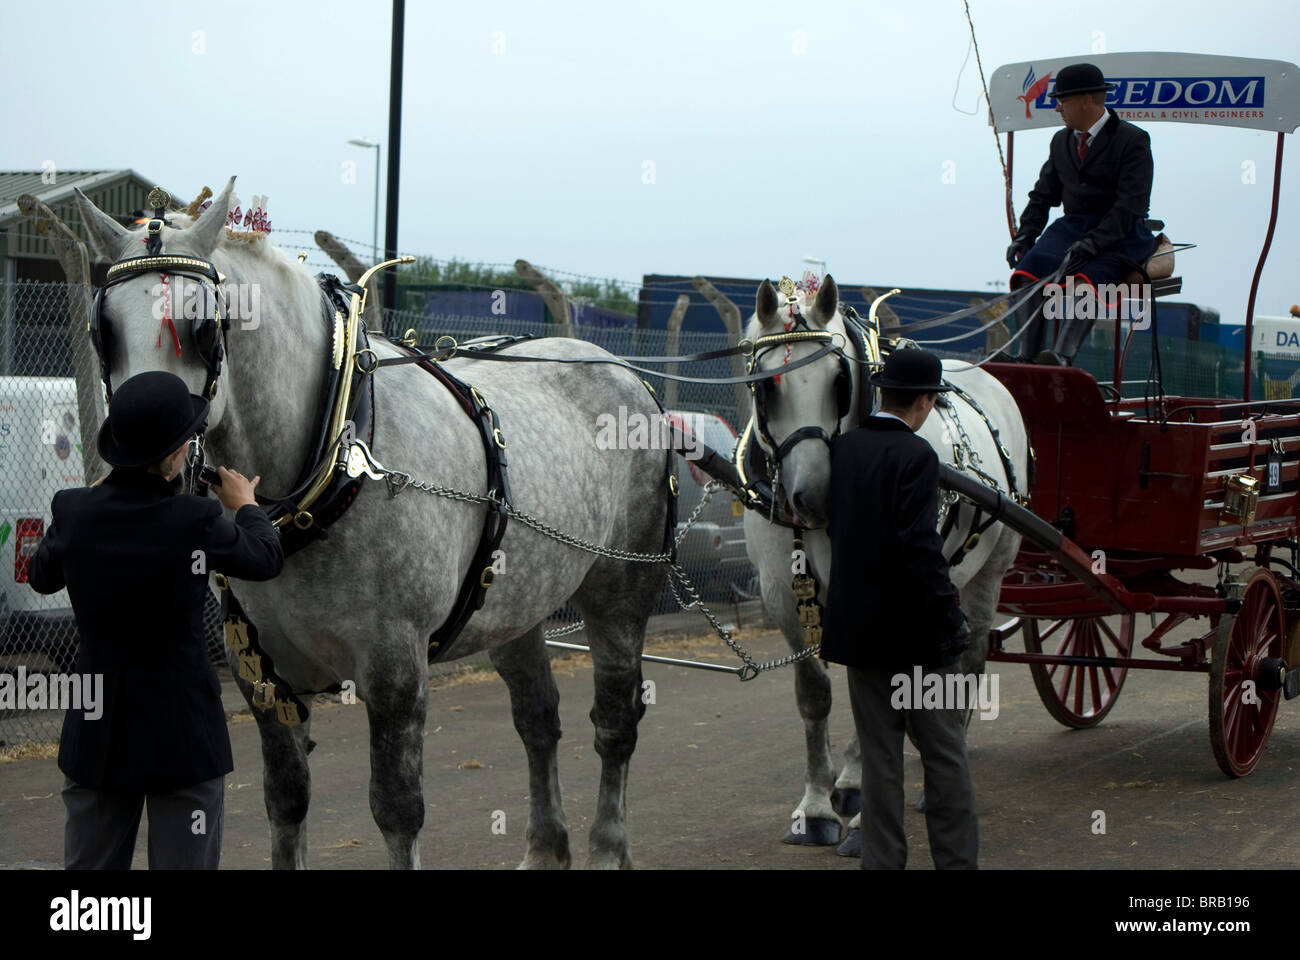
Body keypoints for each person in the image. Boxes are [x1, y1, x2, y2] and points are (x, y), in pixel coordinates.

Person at [28, 370, 284, 869]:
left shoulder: (75, 511)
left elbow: (41, 576)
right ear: (171, 459)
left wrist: (88, 504)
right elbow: (266, 559)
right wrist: (247, 507)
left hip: (98, 735)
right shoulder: (196, 520)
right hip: (182, 738)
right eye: (186, 443)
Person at [820, 347, 977, 869]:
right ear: (926, 401)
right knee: (945, 759)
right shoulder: (918, 458)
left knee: (881, 762)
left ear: (885, 392)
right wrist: (951, 617)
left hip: (861, 638)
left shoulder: (842, 450)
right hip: (921, 640)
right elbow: (919, 549)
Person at [1005, 62, 1157, 365]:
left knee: (1086, 280)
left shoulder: (1133, 140)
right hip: (1072, 228)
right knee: (1028, 271)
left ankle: (1060, 357)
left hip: (1120, 234)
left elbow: (1131, 206)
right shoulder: (1061, 141)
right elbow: (1043, 195)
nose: (1058, 108)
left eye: (1063, 101)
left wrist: (1093, 244)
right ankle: (1028, 355)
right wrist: (1026, 234)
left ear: (1086, 100)